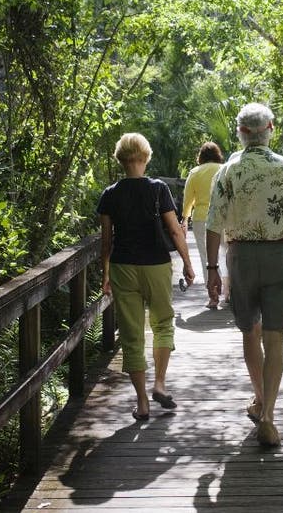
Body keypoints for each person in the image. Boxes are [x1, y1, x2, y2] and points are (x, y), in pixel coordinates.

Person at [205, 103, 283, 447]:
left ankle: (258, 398)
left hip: (240, 256)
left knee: (249, 332)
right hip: (278, 255)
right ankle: (268, 415)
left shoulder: (227, 171)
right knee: (275, 337)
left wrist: (212, 268)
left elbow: (213, 223)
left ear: (240, 133)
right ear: (270, 128)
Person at [97, 132, 195, 421]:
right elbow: (175, 230)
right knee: (163, 323)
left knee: (131, 333)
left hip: (122, 266)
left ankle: (142, 403)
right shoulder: (158, 189)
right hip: (156, 265)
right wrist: (188, 264)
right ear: (145, 157)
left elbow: (106, 242)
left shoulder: (109, 194)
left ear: (121, 159)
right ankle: (159, 384)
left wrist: (105, 274)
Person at [182, 141, 229, 309]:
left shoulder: (195, 172)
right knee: (226, 253)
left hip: (202, 219)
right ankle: (229, 292)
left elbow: (188, 199)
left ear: (201, 157)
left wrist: (185, 218)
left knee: (207, 257)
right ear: (218, 155)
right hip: (225, 216)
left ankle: (213, 296)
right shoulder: (225, 169)